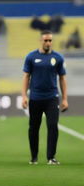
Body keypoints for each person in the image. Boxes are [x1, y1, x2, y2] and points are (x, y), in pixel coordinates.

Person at [22, 30, 68, 165]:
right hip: (35, 98)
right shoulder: (31, 57)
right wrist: (24, 96)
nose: (48, 42)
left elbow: (62, 78)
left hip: (52, 98)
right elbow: (26, 77)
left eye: (50, 40)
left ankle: (51, 157)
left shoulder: (58, 58)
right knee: (33, 128)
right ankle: (34, 157)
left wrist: (64, 98)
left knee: (53, 126)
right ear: (40, 41)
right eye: (46, 40)